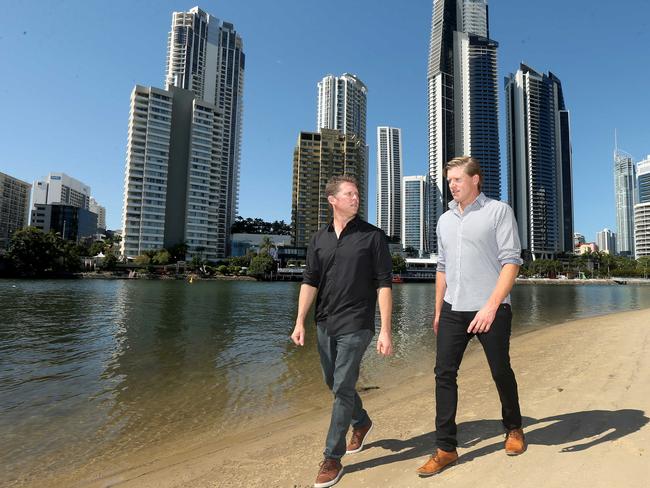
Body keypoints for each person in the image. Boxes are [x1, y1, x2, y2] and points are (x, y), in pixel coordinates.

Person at [417, 156, 526, 477]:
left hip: (491, 307)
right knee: (443, 374)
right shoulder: (444, 220)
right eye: (449, 180)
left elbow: (511, 262)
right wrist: (438, 310)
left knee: (500, 369)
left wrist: (492, 305)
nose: (452, 185)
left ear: (476, 179)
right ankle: (445, 448)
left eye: (458, 179)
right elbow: (442, 268)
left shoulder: (498, 212)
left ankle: (515, 428)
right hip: (453, 308)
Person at [291, 175, 393, 488]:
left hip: (357, 324)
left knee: (343, 386)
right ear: (332, 199)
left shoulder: (373, 237)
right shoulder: (319, 238)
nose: (356, 198)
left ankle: (332, 457)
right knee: (332, 383)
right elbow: (310, 281)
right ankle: (361, 422)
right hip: (324, 322)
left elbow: (384, 284)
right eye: (349, 194)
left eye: (358, 194)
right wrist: (299, 321)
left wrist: (385, 330)